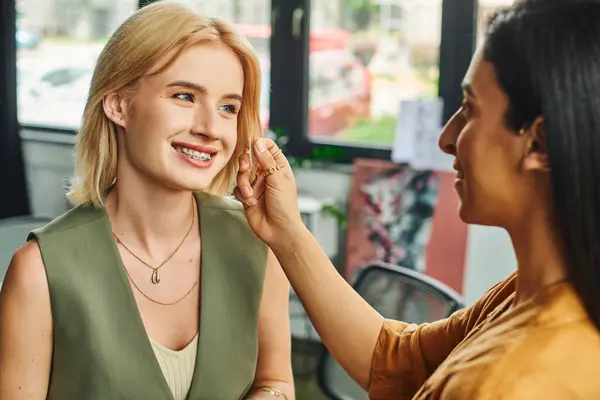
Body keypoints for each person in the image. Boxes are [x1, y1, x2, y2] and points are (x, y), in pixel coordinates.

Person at [235, 0, 600, 398]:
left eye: (469, 110)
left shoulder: (506, 382)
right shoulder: (534, 292)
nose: (446, 138)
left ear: (540, 143)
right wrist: (287, 233)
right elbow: (398, 361)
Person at [0, 3, 293, 399]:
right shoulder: (38, 272)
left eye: (228, 107)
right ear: (118, 105)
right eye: (185, 96)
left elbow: (276, 383)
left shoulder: (258, 245)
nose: (210, 128)